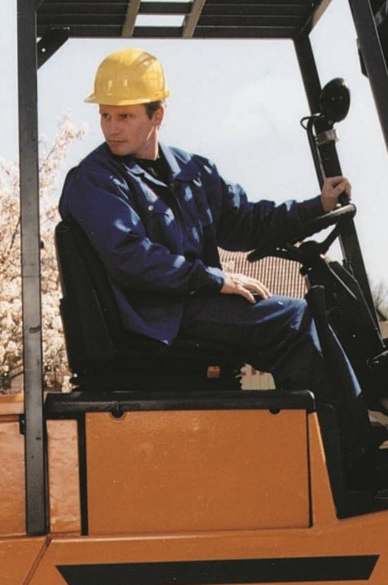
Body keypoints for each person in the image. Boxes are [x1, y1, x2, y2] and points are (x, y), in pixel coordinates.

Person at [59, 48, 369, 464]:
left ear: (157, 116)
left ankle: (337, 441)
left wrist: (318, 206)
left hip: (187, 304)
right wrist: (217, 279)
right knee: (295, 320)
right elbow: (132, 259)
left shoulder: (193, 172)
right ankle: (352, 457)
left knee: (315, 311)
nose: (111, 128)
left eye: (125, 116)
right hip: (155, 317)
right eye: (106, 115)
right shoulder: (95, 181)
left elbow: (245, 222)